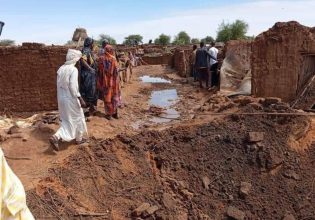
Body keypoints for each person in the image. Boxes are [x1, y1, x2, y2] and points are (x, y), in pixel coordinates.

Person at [50, 49, 88, 151]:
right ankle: (76, 139)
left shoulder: (61, 69)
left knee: (67, 119)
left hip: (61, 99)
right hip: (71, 98)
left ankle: (59, 136)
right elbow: (72, 86)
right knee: (78, 117)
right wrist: (80, 98)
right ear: (74, 58)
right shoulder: (73, 70)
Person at [97, 45, 121, 120]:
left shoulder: (101, 58)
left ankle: (109, 114)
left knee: (107, 97)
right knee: (114, 96)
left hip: (105, 82)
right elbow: (116, 71)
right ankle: (115, 114)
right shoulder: (113, 59)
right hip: (114, 82)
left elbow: (99, 71)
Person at [79, 37, 97, 115]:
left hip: (88, 74)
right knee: (90, 91)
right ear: (90, 43)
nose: (93, 44)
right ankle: (89, 110)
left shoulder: (88, 50)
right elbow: (82, 60)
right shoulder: (86, 50)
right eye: (92, 43)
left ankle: (90, 108)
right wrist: (90, 68)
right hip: (87, 75)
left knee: (90, 91)